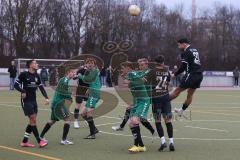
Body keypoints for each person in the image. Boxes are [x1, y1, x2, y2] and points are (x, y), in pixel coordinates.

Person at [112, 58, 155, 138]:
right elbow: (135, 75)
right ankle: (122, 127)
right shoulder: (139, 72)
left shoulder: (148, 71)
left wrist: (129, 78)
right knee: (130, 110)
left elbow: (140, 79)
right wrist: (126, 75)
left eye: (142, 65)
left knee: (140, 118)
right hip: (138, 96)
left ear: (146, 65)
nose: (140, 66)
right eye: (139, 65)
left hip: (146, 95)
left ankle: (152, 131)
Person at [14, 59, 49, 148]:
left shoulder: (37, 75)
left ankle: (24, 142)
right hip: (26, 101)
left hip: (34, 101)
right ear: (30, 65)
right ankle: (39, 141)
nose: (37, 64)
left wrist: (46, 97)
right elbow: (16, 85)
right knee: (33, 119)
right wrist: (22, 91)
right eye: (35, 63)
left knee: (32, 121)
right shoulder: (23, 74)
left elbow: (41, 87)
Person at [40, 67, 76, 145]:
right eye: (73, 72)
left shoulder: (65, 80)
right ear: (68, 72)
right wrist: (72, 94)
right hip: (58, 104)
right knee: (67, 119)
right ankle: (63, 140)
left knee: (52, 121)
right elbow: (63, 92)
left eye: (74, 73)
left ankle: (41, 136)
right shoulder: (65, 80)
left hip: (56, 103)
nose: (74, 74)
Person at [120, 61, 150, 153]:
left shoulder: (132, 73)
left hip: (143, 101)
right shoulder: (130, 74)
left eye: (122, 68)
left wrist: (130, 81)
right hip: (137, 101)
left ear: (128, 68)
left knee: (134, 121)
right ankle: (141, 146)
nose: (121, 70)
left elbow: (141, 79)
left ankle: (136, 146)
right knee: (131, 124)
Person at [147, 55, 175, 151]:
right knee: (168, 121)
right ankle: (171, 142)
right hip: (165, 98)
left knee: (158, 121)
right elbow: (168, 82)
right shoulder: (167, 71)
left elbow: (145, 83)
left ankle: (163, 142)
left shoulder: (152, 71)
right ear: (163, 62)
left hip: (156, 99)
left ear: (155, 62)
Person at [170, 38, 203, 117]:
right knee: (190, 94)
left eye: (179, 45)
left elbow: (183, 67)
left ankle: (162, 105)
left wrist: (175, 74)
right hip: (199, 75)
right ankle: (181, 111)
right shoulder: (194, 50)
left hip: (191, 75)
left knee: (176, 91)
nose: (178, 47)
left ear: (184, 44)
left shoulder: (186, 52)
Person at [76, 58, 101, 139]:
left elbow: (87, 80)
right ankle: (94, 129)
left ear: (94, 64)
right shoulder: (89, 71)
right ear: (86, 64)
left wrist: (79, 76)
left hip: (94, 93)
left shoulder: (94, 71)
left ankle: (92, 134)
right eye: (88, 63)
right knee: (83, 114)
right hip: (92, 93)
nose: (90, 64)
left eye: (92, 63)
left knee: (89, 113)